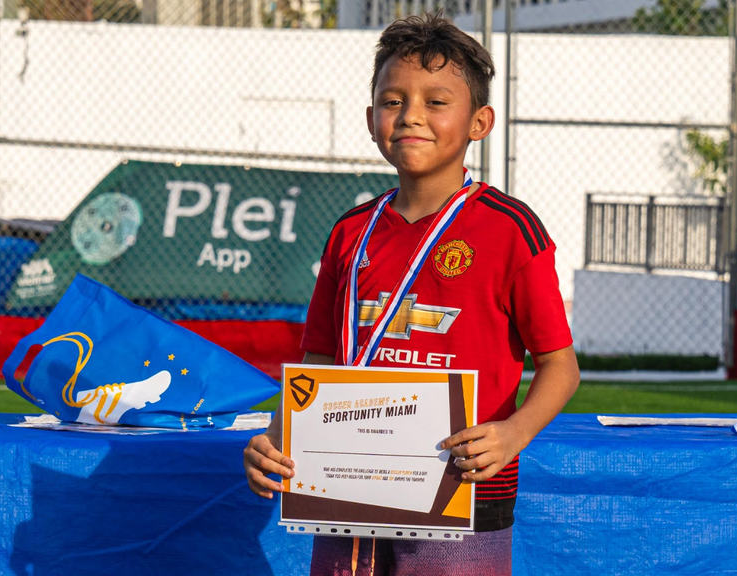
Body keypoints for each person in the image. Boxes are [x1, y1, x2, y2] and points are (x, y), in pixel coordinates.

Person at [244, 12, 579, 575]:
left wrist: (512, 434)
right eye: (392, 100)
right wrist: (278, 435)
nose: (410, 116)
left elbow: (560, 366)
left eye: (436, 101)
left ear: (479, 122)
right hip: (346, 491)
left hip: (462, 491)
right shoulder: (351, 232)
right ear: (370, 118)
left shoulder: (510, 230)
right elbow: (320, 359)